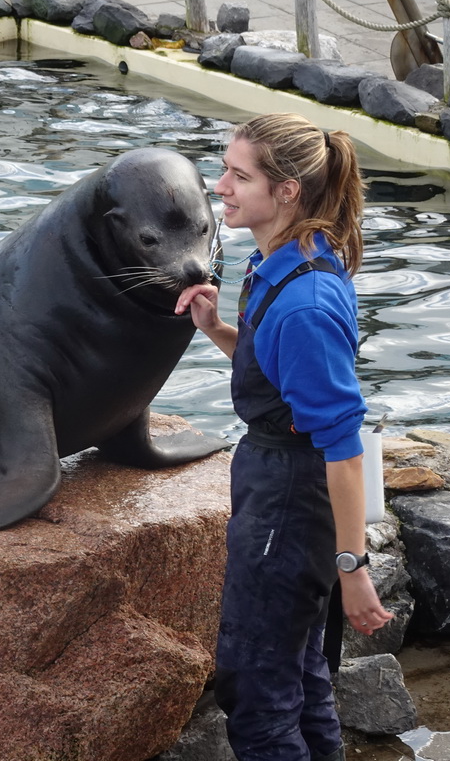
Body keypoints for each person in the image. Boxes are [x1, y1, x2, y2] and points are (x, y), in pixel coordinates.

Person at [175, 113, 394, 761]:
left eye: (240, 176)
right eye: (224, 170)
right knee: (299, 674)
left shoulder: (306, 301)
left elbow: (344, 446)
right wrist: (217, 329)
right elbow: (281, 374)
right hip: (275, 479)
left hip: (293, 498)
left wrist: (352, 568)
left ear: (288, 190)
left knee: (257, 693)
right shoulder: (280, 259)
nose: (221, 187)